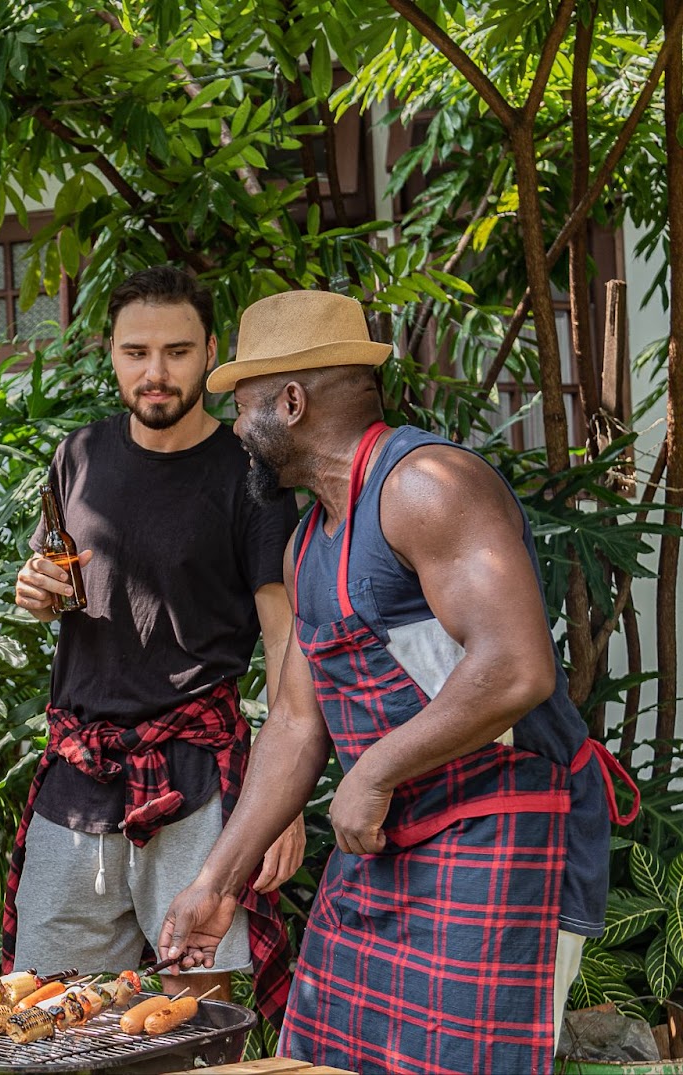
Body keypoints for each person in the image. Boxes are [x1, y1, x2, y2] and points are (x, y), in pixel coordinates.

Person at [159, 288, 635, 1072]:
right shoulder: (305, 545)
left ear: (291, 399)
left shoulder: (428, 486)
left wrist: (375, 769)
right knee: (327, 1053)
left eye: (243, 408)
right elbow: (295, 722)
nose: (237, 432)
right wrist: (218, 881)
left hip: (504, 828)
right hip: (385, 839)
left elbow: (516, 664)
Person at [5, 266, 302, 1015]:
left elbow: (284, 637)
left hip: (195, 775)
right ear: (111, 353)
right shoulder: (79, 454)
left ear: (209, 352)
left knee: (195, 1012)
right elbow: (54, 573)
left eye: (176, 351)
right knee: (50, 1011)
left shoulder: (251, 472)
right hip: (78, 773)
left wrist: (283, 795)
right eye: (136, 352)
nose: (156, 372)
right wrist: (32, 587)